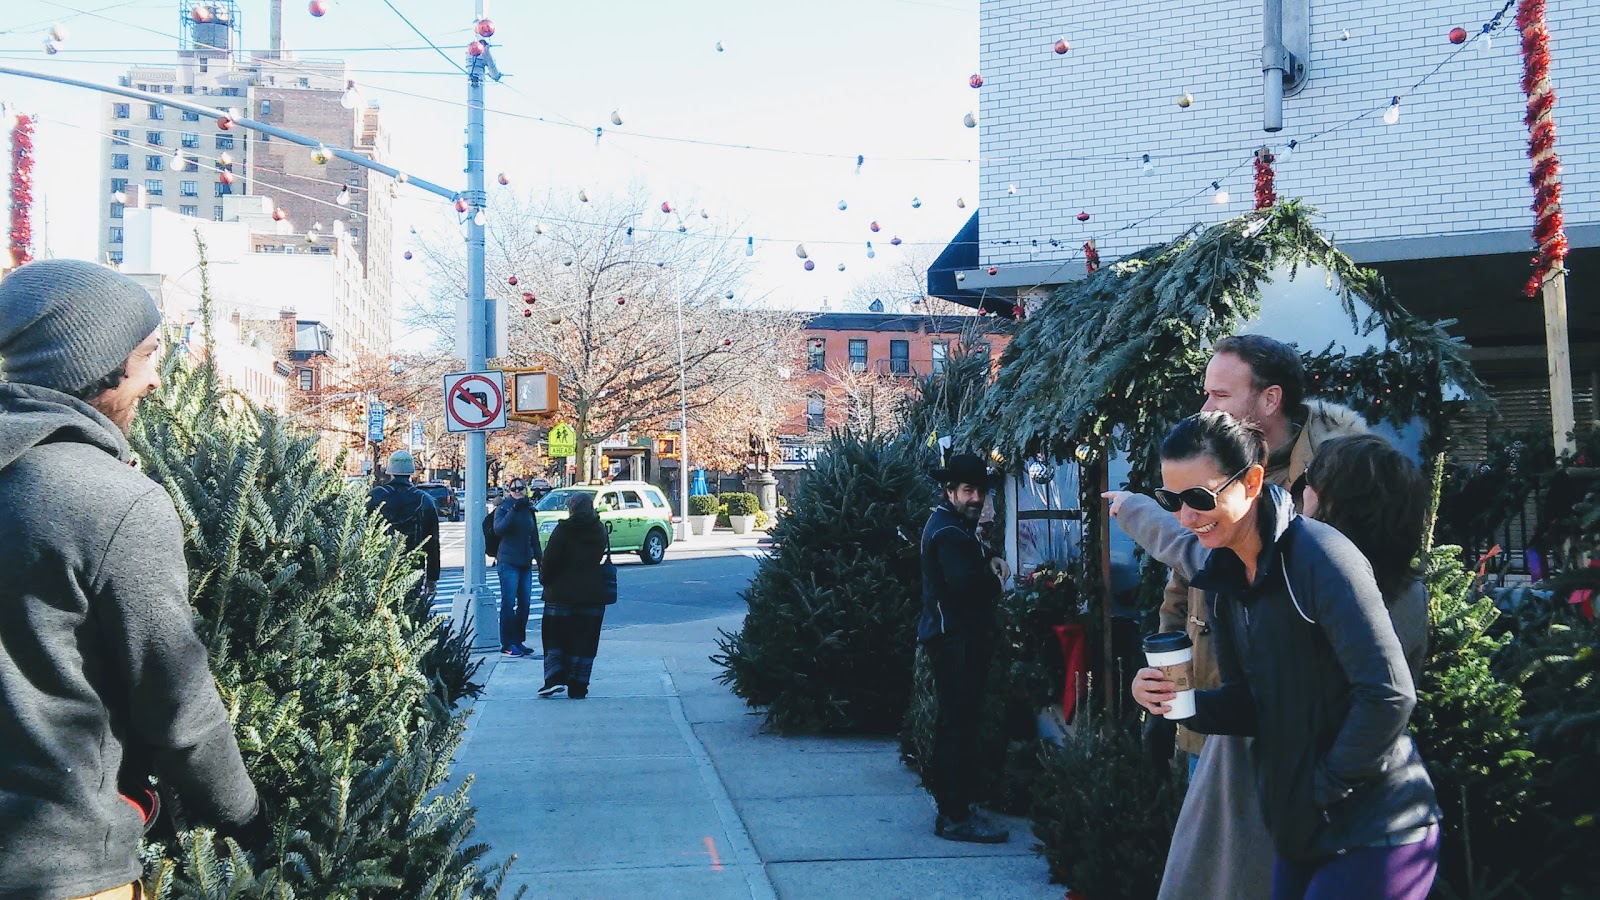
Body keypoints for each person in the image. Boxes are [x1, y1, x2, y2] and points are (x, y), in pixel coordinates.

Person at [0, 259, 264, 899]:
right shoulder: (111, 501)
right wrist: (246, 819)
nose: (155, 379)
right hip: (62, 867)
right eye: (146, 356)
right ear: (96, 365)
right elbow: (176, 701)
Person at [1123, 412, 1441, 899]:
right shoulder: (1227, 573)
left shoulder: (1323, 555)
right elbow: (1249, 703)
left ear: (1252, 482)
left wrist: (1321, 789)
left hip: (1375, 830)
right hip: (1301, 830)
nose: (1185, 517)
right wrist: (1172, 701)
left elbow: (1390, 695)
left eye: (1200, 498)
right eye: (1172, 500)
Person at [918, 452, 1012, 844]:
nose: (976, 498)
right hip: (955, 639)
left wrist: (989, 557)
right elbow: (965, 586)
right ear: (950, 491)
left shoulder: (950, 524)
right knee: (957, 725)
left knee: (956, 723)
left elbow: (967, 563)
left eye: (980, 491)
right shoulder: (949, 532)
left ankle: (956, 808)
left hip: (952, 636)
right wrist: (996, 581)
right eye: (968, 490)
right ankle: (954, 816)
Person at [537, 492, 611, 699]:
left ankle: (555, 678)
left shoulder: (564, 530)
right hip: (592, 592)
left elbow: (550, 560)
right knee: (585, 640)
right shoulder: (599, 529)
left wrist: (544, 579)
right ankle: (579, 685)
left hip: (561, 593)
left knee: (555, 637)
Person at [367, 449, 441, 604]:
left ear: (390, 472)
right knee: (409, 608)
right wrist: (432, 578)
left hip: (378, 568)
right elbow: (432, 544)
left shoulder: (374, 497)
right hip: (413, 569)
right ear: (411, 473)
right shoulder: (425, 500)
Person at [493, 477, 542, 659]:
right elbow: (499, 529)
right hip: (508, 562)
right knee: (508, 603)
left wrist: (541, 562)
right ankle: (507, 644)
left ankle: (518, 640)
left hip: (525, 562)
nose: (517, 491)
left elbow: (534, 537)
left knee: (525, 604)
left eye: (520, 488)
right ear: (509, 491)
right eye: (514, 489)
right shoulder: (504, 508)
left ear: (525, 489)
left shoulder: (529, 510)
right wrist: (514, 509)